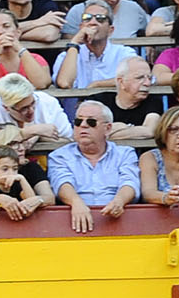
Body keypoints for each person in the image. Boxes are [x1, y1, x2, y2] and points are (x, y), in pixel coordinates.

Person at [52, 100, 140, 233]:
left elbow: (130, 182)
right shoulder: (59, 156)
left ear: (108, 128)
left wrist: (119, 201)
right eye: (78, 121)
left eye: (91, 122)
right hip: (73, 223)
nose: (83, 126)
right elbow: (62, 182)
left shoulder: (125, 154)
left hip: (118, 220)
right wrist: (76, 202)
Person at [0, 73, 72, 148]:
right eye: (24, 109)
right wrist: (30, 132)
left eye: (32, 103)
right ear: (6, 108)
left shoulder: (47, 101)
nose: (31, 111)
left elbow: (69, 141)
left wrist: (39, 137)